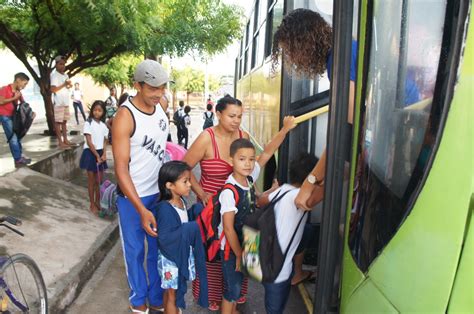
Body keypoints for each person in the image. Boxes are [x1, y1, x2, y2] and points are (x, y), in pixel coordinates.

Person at [270, 9, 356, 209]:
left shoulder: (339, 57)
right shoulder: (339, 52)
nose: (292, 59)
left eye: (291, 51)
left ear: (304, 42)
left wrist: (310, 182)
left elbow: (347, 125)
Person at [219, 116, 296, 314]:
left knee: (240, 281)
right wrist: (239, 255)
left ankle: (234, 309)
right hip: (232, 248)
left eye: (251, 159)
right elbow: (228, 228)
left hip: (246, 242)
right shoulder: (229, 192)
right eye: (242, 159)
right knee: (232, 290)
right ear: (231, 160)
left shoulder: (249, 177)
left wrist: (285, 129)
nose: (248, 164)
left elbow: (268, 151)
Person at [112, 59, 171, 313]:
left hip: (158, 195)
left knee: (157, 250)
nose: (158, 93)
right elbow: (120, 168)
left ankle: (156, 298)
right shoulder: (125, 117)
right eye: (152, 88)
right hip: (131, 198)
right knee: (135, 251)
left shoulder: (162, 105)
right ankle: (138, 301)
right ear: (137, 85)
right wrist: (140, 208)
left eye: (162, 87)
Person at [183, 95, 250, 311]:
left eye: (239, 116)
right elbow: (184, 168)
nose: (236, 121)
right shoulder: (206, 138)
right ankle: (214, 296)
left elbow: (253, 168)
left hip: (238, 208)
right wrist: (201, 193)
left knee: (237, 251)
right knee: (213, 255)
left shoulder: (243, 136)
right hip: (211, 211)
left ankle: (234, 293)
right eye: (231, 116)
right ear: (218, 114)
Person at [256, 153, 322, 314]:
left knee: (307, 230)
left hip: (262, 261)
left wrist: (272, 188)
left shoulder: (284, 189)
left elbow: (261, 201)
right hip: (277, 272)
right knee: (275, 310)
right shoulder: (301, 198)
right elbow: (329, 186)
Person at [155, 161, 208, 313]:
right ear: (170, 185)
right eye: (185, 181)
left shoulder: (181, 201)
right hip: (171, 258)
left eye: (189, 180)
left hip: (178, 254)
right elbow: (165, 239)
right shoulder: (165, 209)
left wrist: (194, 212)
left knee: (171, 291)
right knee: (172, 294)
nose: (190, 185)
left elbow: (183, 221)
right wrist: (189, 229)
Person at [79, 100, 109, 215]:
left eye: (100, 110)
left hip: (100, 153)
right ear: (92, 111)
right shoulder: (88, 123)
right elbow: (89, 141)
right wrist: (96, 155)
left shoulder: (103, 125)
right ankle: (92, 203)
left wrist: (104, 154)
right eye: (95, 110)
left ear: (103, 112)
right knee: (91, 181)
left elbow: (105, 141)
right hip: (90, 153)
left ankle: (98, 202)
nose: (97, 112)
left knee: (99, 181)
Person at [0, 72, 34, 166]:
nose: (25, 86)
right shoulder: (4, 89)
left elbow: (23, 103)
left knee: (17, 137)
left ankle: (19, 156)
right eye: (24, 83)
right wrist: (14, 98)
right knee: (13, 138)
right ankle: (18, 159)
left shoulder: (18, 92)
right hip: (4, 116)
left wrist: (31, 112)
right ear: (18, 80)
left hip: (14, 117)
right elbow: (1, 101)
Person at [51, 55, 74, 149]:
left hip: (66, 102)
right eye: (60, 64)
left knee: (64, 122)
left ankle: (65, 139)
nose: (63, 66)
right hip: (59, 103)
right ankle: (60, 142)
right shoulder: (54, 75)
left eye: (64, 64)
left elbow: (67, 86)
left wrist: (68, 85)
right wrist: (64, 84)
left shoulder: (65, 75)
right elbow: (53, 89)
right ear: (56, 64)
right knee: (58, 122)